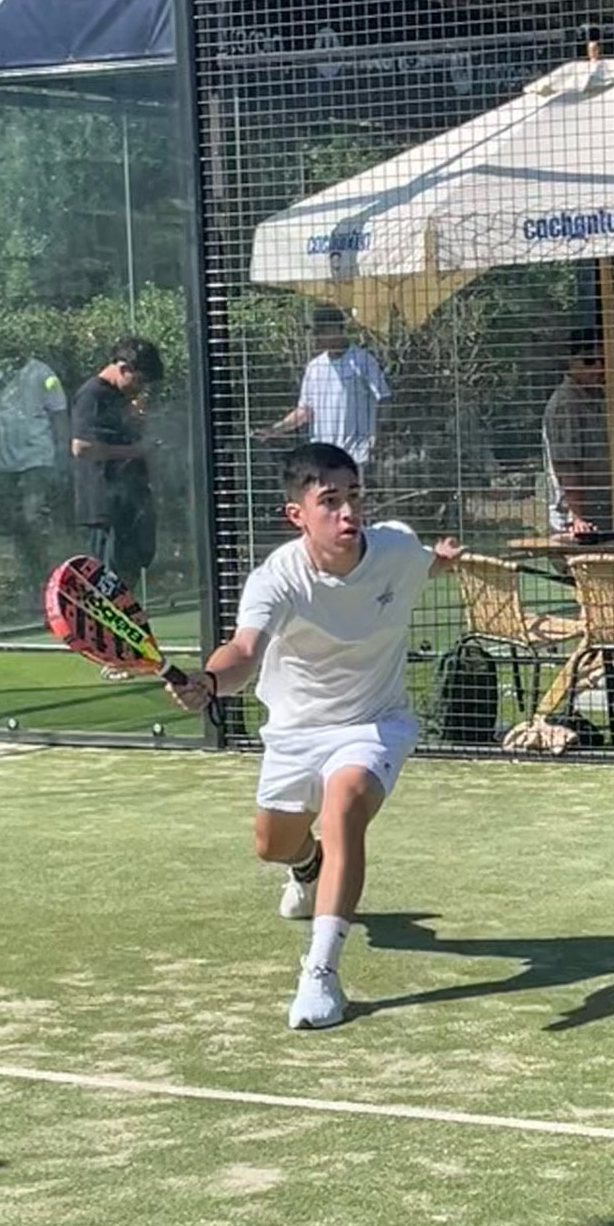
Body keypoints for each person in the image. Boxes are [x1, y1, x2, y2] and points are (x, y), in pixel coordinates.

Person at [167, 441, 462, 1032]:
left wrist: (442, 559)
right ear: (296, 514)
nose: (348, 512)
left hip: (373, 723)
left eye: (354, 496)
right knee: (272, 845)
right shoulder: (276, 579)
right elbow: (243, 651)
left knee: (343, 805)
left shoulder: (394, 548)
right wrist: (210, 681)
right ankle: (306, 868)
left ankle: (321, 971)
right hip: (297, 731)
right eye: (329, 501)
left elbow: (422, 562)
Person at [70, 337, 164, 588]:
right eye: (139, 381)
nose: (140, 389)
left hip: (127, 502)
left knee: (128, 576)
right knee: (110, 583)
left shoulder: (118, 397)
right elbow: (82, 447)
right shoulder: (92, 395)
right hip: (106, 507)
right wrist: (135, 451)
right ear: (124, 368)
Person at [255, 306, 390, 470]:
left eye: (320, 331)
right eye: (314, 331)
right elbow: (305, 411)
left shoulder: (363, 360)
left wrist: (377, 438)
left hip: (357, 456)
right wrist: (275, 429)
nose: (315, 336)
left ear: (336, 329)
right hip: (322, 458)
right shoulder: (314, 367)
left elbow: (384, 398)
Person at [0, 355, 69, 597]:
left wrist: (63, 454)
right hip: (4, 463)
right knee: (13, 521)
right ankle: (30, 573)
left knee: (33, 517)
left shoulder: (43, 374)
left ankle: (47, 577)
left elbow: (59, 415)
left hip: (37, 458)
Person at [542, 334, 614, 538]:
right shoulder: (565, 404)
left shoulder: (600, 397)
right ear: (571, 363)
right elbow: (567, 465)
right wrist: (577, 517)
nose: (599, 368)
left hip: (604, 512)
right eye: (589, 361)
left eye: (603, 361)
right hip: (579, 521)